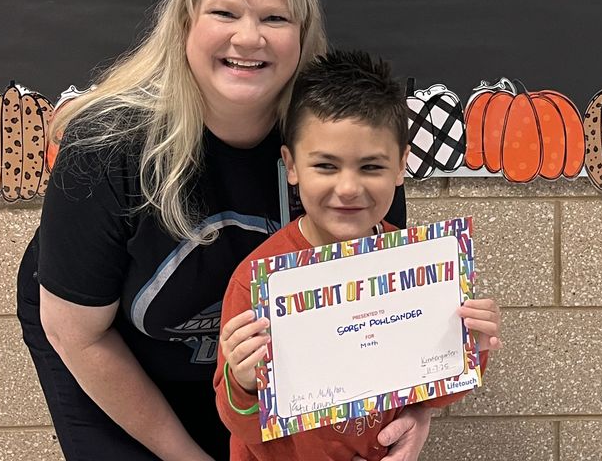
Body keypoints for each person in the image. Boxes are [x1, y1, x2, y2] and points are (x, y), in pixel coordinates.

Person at [16, 0, 426, 461]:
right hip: (106, 347)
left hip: (255, 370)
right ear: (185, 25)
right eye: (225, 13)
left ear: (301, 36)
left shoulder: (345, 146)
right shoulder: (104, 146)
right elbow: (78, 335)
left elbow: (381, 321)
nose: (249, 37)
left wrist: (413, 410)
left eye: (274, 17)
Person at [215, 49, 502, 461]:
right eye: (326, 166)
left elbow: (435, 396)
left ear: (402, 166)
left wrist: (469, 345)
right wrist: (243, 382)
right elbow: (241, 425)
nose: (348, 188)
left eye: (370, 167)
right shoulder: (258, 283)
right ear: (291, 166)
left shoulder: (419, 268)